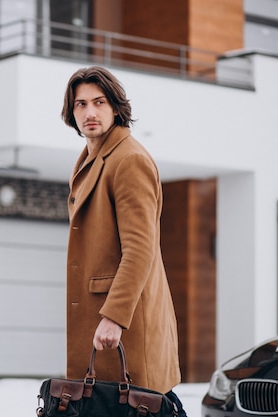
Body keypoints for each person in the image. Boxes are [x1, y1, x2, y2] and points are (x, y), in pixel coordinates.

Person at [61, 66, 186, 416]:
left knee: (142, 405)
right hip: (103, 327)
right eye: (80, 104)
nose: (89, 112)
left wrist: (114, 317)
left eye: (99, 102)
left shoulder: (129, 160)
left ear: (115, 107)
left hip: (125, 327)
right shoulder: (92, 157)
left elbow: (140, 248)